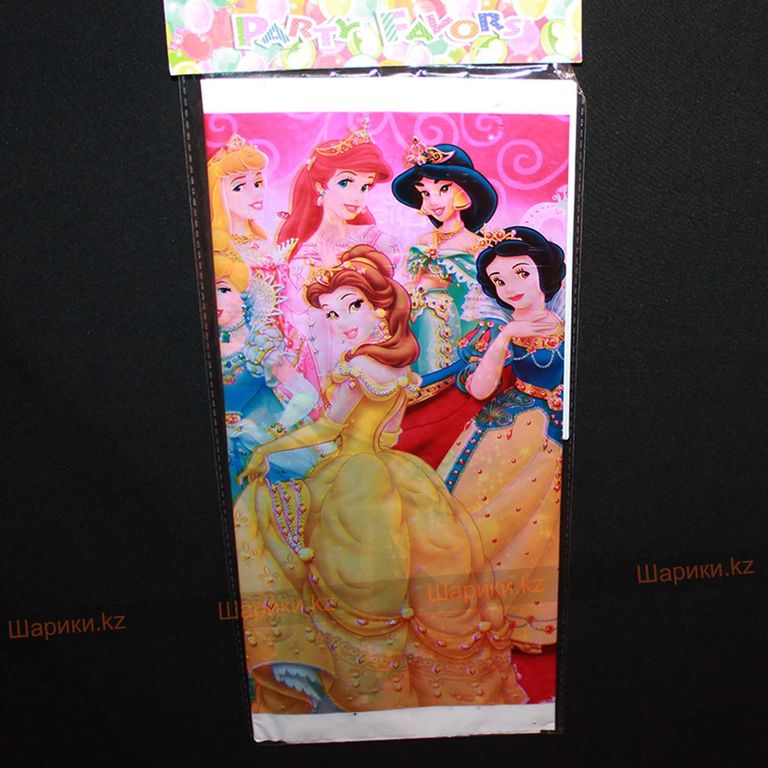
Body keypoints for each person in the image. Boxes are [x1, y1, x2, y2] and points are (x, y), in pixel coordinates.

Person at [232, 245, 526, 714]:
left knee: (271, 520)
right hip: (396, 473)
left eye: (353, 306)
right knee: (409, 580)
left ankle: (348, 689)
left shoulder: (359, 368)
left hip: (354, 477)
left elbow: (327, 428)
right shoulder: (399, 364)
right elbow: (387, 432)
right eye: (332, 313)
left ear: (380, 307)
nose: (342, 320)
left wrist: (269, 449)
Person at [437, 227, 565, 651]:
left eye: (521, 273)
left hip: (558, 431)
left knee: (543, 528)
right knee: (498, 517)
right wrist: (507, 336)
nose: (511, 287)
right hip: (516, 432)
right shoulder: (502, 330)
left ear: (543, 272)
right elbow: (479, 389)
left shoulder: (569, 319)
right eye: (499, 281)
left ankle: (531, 616)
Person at [276, 121, 402, 384]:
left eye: (365, 186)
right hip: (323, 370)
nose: (358, 196)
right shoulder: (302, 255)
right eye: (346, 182)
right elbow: (300, 323)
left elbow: (391, 306)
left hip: (377, 362)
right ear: (320, 185)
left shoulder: (377, 242)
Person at [213, 235, 319, 500]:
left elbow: (306, 394)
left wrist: (273, 432)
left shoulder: (261, 343)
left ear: (244, 296)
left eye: (223, 290)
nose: (215, 301)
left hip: (261, 445)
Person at [392, 139, 498, 380]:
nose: (434, 201)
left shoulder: (476, 245)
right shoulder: (423, 240)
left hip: (459, 332)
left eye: (443, 190)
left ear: (463, 193)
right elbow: (409, 281)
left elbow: (480, 301)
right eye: (425, 193)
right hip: (413, 325)